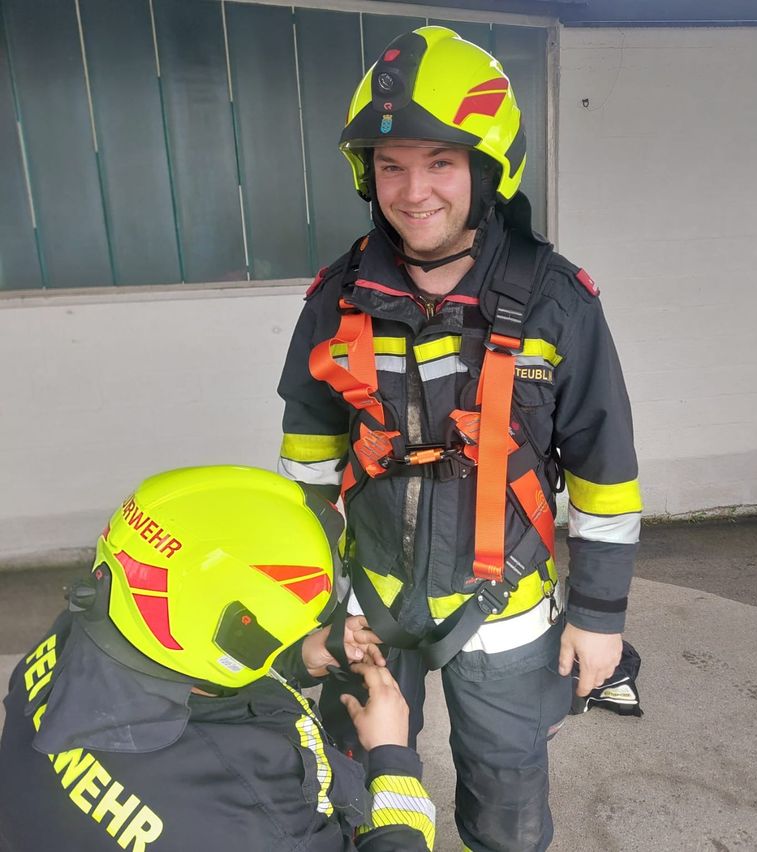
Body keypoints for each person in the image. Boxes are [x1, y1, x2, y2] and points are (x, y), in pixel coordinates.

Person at [277, 26, 641, 852]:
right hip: (367, 608)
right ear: (366, 172)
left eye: (440, 162)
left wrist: (598, 616)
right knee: (356, 794)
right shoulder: (333, 301)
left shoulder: (559, 304)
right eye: (392, 163)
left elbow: (605, 475)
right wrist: (310, 610)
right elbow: (303, 472)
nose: (413, 191)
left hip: (503, 615)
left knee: (508, 818)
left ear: (487, 169)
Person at [0, 465, 435, 852]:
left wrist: (290, 656)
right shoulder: (256, 815)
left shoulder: (76, 630)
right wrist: (392, 757)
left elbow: (186, 672)